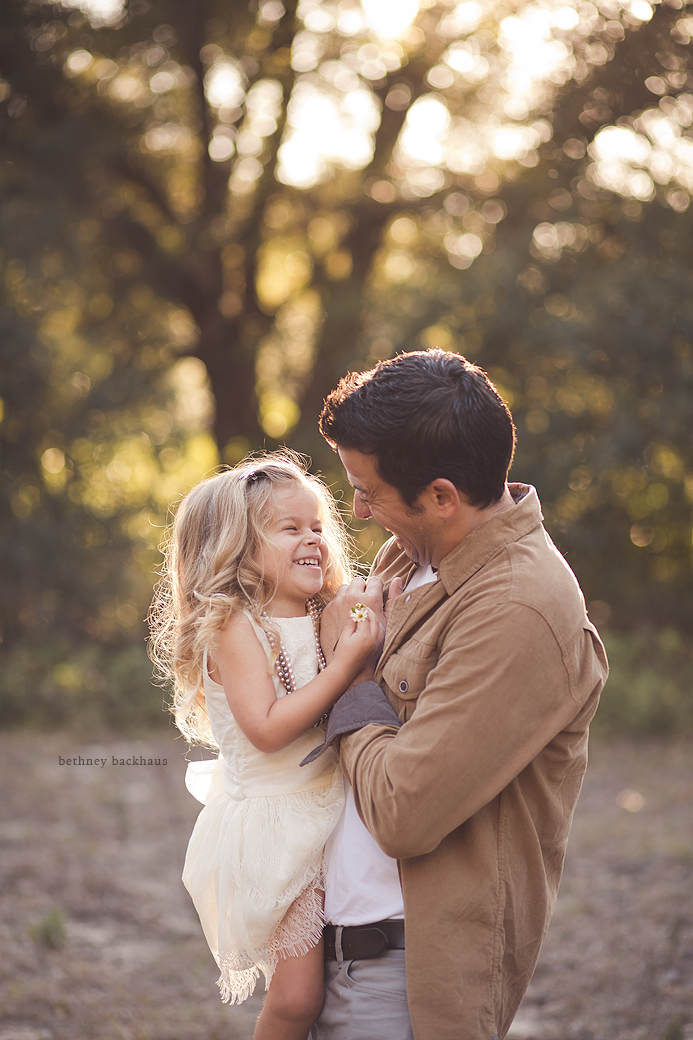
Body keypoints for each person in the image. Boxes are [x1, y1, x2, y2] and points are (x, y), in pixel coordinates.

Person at [306, 349, 609, 1040]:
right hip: (337, 952)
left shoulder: (519, 607)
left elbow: (404, 812)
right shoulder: (411, 554)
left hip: (406, 979)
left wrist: (347, 677)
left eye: (368, 491)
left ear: (442, 495)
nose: (355, 509)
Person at [149, 454, 380, 1040]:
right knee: (299, 997)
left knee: (345, 972)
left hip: (334, 809)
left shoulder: (318, 611)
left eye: (317, 527)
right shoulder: (233, 625)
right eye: (289, 528)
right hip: (281, 826)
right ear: (237, 547)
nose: (312, 540)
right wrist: (349, 659)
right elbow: (269, 727)